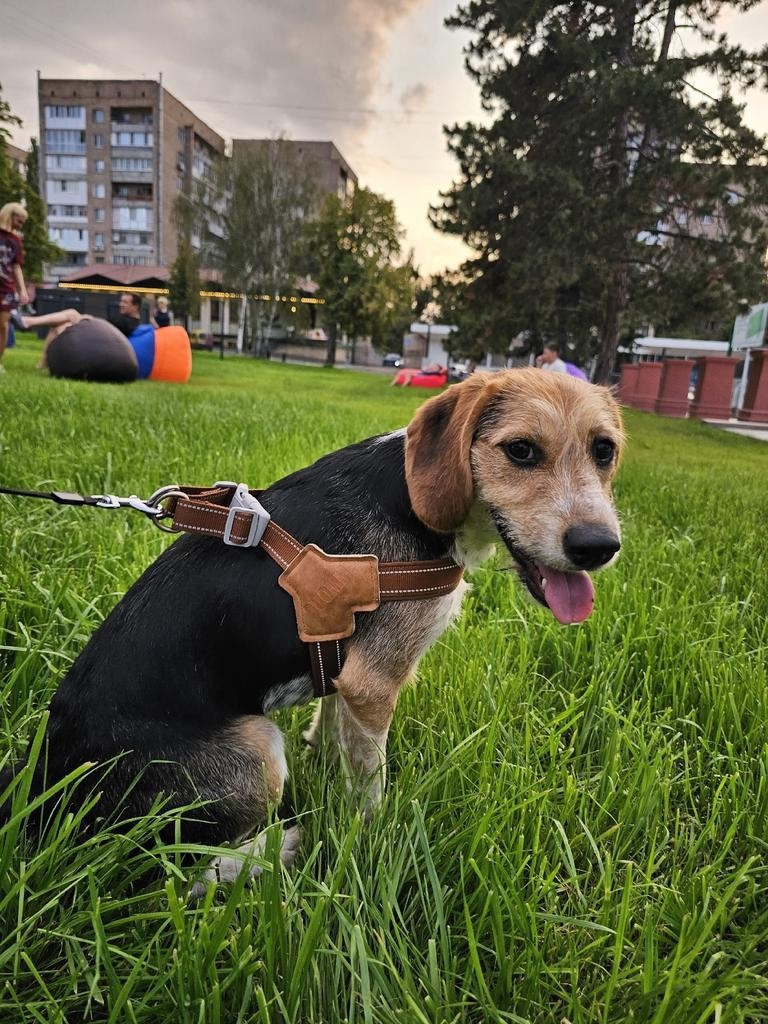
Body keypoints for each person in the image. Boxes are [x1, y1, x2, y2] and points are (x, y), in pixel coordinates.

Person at [12, 291, 143, 370]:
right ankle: (42, 363)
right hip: (96, 338)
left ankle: (28, 321)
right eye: (121, 301)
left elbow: (109, 330)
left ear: (135, 307)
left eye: (125, 302)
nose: (121, 304)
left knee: (71, 313)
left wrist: (90, 319)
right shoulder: (124, 319)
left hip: (98, 343)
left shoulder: (131, 323)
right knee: (56, 327)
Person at [0, 202, 30, 374]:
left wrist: (22, 290)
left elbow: (16, 266)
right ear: (9, 216)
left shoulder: (15, 240)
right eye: (19, 221)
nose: (20, 226)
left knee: (3, 326)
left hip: (6, 289)